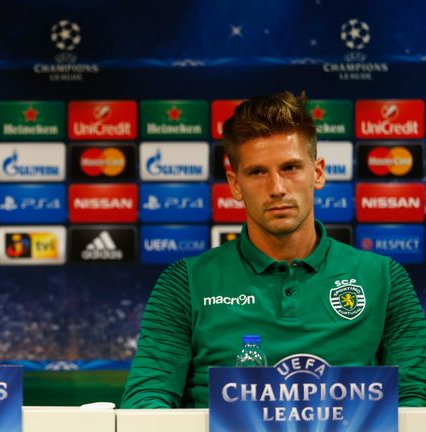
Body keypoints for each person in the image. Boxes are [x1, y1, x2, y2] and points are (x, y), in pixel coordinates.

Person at [122, 91, 426, 408]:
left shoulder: (385, 278)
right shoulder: (184, 282)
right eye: (257, 172)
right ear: (235, 184)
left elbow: (415, 400)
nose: (277, 188)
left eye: (291, 167)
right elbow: (146, 400)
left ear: (318, 172)